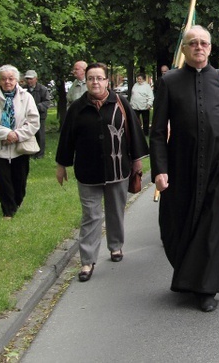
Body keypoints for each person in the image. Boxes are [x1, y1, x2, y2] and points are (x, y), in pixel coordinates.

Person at [150, 25, 219, 312]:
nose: (199, 47)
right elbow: (157, 131)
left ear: (210, 47)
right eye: (192, 43)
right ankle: (187, 276)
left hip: (217, 169)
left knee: (210, 228)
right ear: (184, 49)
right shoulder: (169, 82)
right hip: (180, 168)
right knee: (176, 226)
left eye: (203, 43)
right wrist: (160, 169)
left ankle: (206, 289)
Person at [56, 63, 148, 282]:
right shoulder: (77, 108)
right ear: (85, 81)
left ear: (107, 81)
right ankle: (87, 261)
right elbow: (67, 137)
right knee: (91, 215)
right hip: (88, 172)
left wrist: (137, 160)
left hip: (117, 169)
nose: (95, 82)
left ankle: (115, 246)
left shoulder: (120, 103)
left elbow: (133, 132)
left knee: (116, 210)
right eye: (90, 79)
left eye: (99, 78)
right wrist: (61, 164)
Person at [0, 65, 40, 219]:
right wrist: (7, 133)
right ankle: (8, 210)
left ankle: (17, 201)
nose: (7, 82)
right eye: (4, 79)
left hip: (20, 147)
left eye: (11, 78)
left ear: (17, 80)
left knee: (20, 179)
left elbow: (33, 122)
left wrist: (17, 135)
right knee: (3, 181)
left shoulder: (26, 97)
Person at [24, 70, 51, 159]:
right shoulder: (23, 89)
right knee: (28, 134)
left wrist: (36, 107)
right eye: (27, 79)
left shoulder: (43, 89)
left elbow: (47, 102)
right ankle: (30, 151)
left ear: (36, 79)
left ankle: (40, 154)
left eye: (31, 79)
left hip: (40, 116)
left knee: (40, 135)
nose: (29, 81)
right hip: (26, 116)